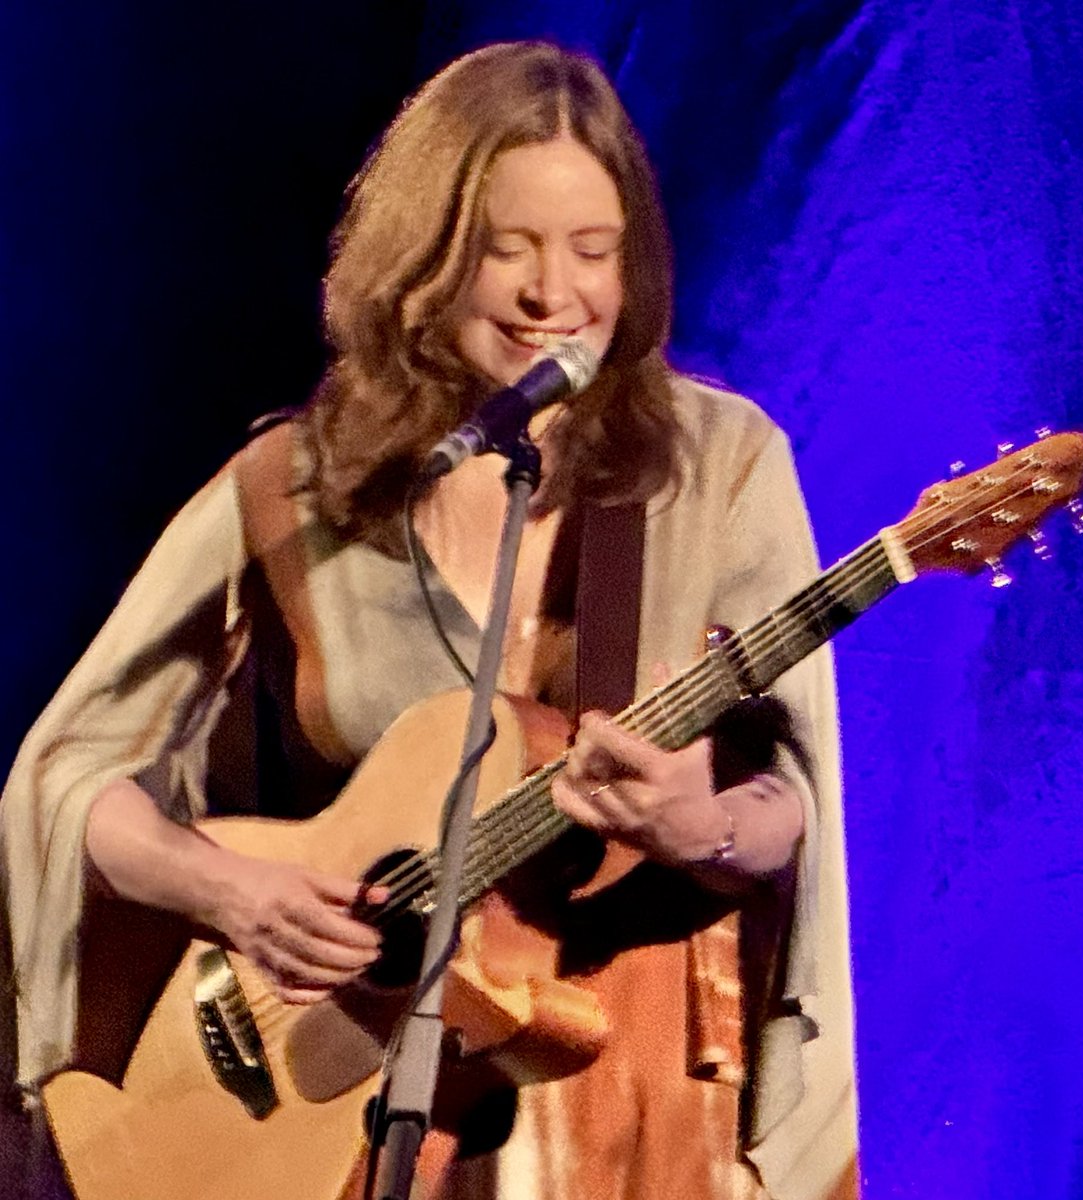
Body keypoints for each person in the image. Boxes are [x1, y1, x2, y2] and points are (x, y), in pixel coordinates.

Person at [0, 41, 858, 1200]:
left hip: (626, 1103)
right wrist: (225, 890)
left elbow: (795, 803)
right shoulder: (295, 485)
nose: (553, 294)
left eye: (592, 251)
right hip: (353, 1116)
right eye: (508, 250)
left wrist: (696, 821)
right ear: (426, 259)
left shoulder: (720, 466)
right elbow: (66, 769)